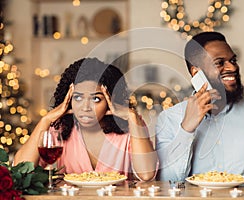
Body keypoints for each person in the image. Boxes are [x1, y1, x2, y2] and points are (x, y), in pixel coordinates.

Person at [155, 32, 244, 197]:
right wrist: (187, 128)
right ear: (196, 72)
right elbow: (167, 182)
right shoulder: (169, 119)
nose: (233, 67)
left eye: (233, 60)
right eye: (219, 63)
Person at [14, 57, 158, 181]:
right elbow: (20, 169)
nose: (85, 107)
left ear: (111, 100)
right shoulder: (59, 128)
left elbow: (146, 175)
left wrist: (132, 116)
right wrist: (46, 119)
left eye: (95, 99)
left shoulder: (131, 126)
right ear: (69, 99)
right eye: (78, 97)